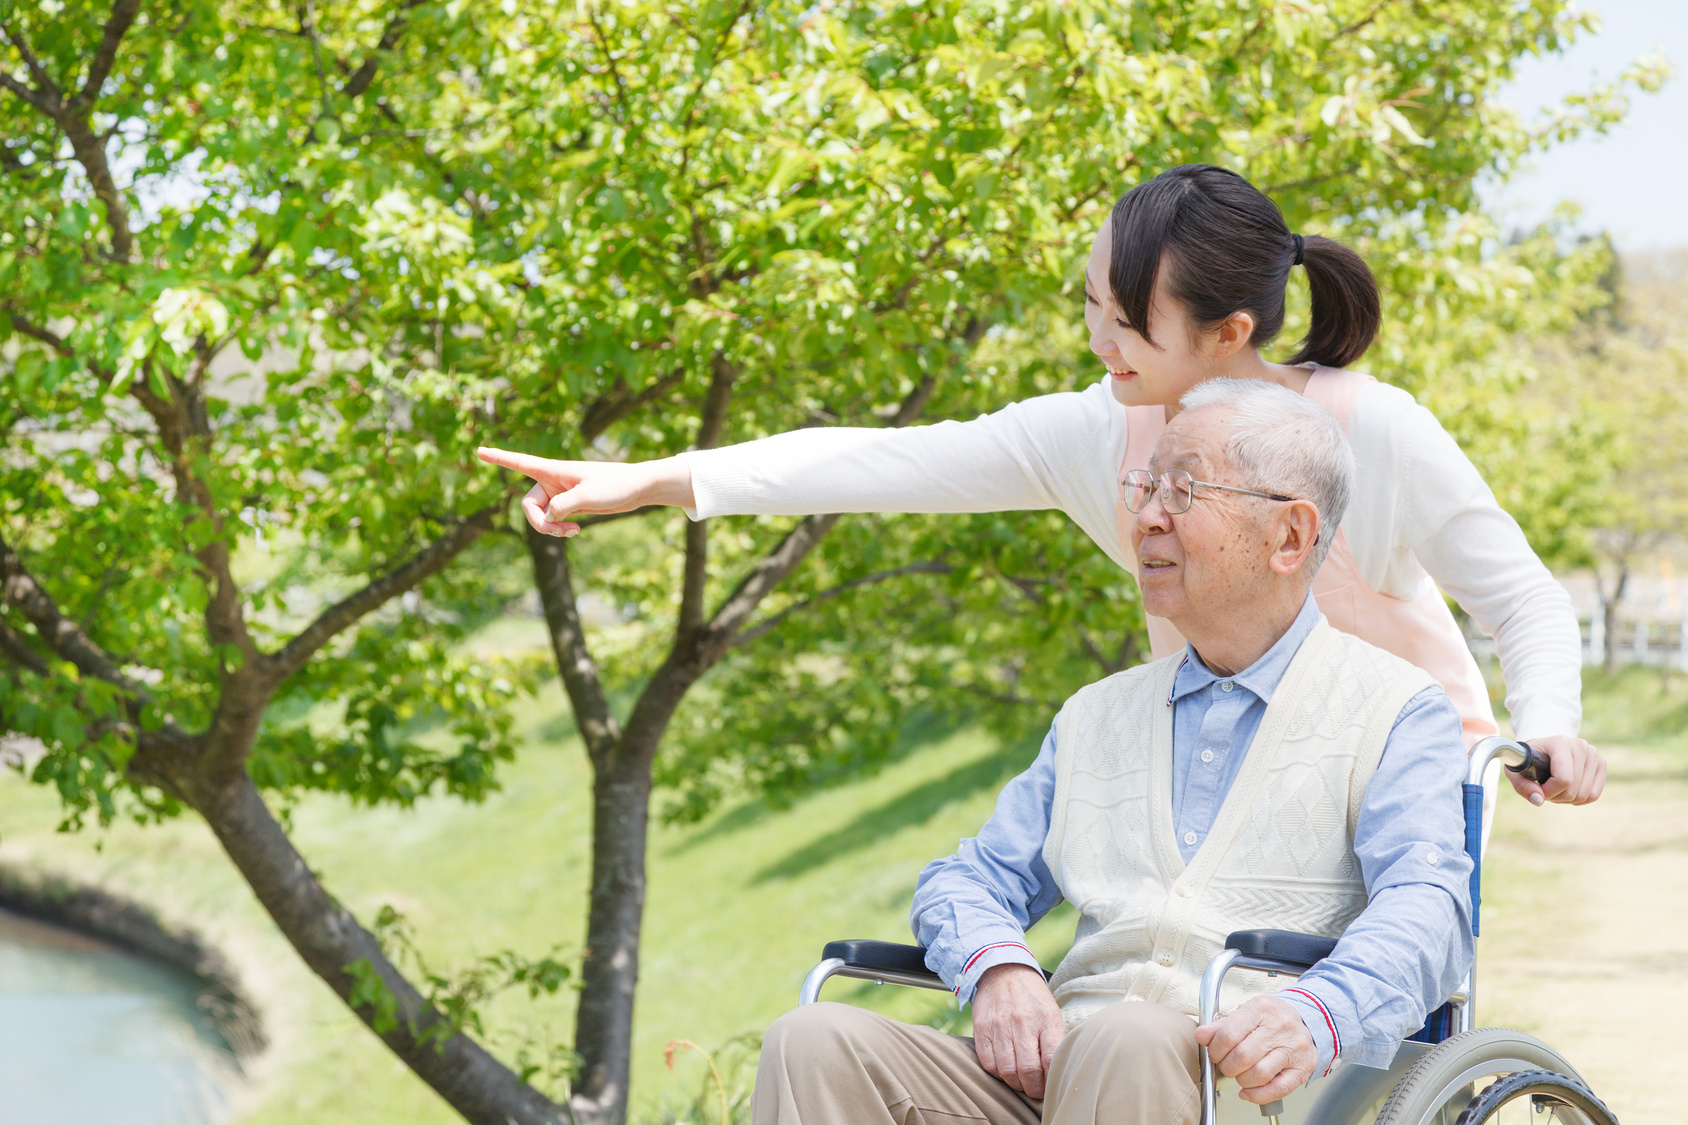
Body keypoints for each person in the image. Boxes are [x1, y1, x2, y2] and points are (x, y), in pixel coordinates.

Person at [478, 163, 1605, 810]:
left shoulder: (1373, 433)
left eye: (1128, 321)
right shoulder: (1094, 434)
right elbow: (879, 462)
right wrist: (652, 480)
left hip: (1402, 784)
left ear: (1228, 331)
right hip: (1221, 774)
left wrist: (1544, 727)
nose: (1100, 340)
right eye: (1090, 308)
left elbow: (1521, 601)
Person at [751, 381, 1474, 1125]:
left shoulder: (1396, 710)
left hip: (1247, 1090)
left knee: (1131, 1037)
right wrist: (999, 967)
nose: (1146, 516)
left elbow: (1429, 910)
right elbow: (965, 880)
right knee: (814, 1039)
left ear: (1289, 536)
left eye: (1184, 490)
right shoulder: (1096, 713)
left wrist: (1319, 1013)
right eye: (1145, 485)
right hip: (1064, 1080)